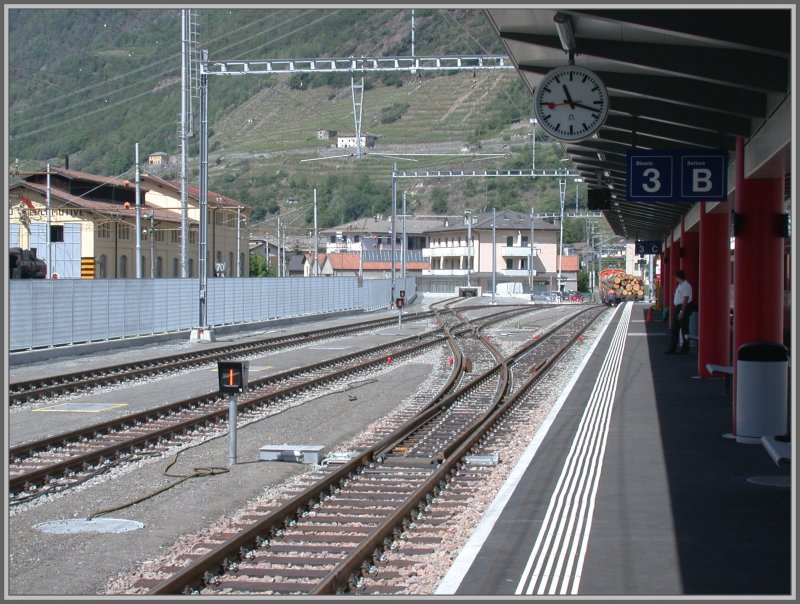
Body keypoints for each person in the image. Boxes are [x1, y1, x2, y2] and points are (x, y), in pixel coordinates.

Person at [665, 269, 693, 354]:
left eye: (676, 277)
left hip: (683, 307)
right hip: (678, 307)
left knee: (684, 329)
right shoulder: (680, 285)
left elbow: (686, 299)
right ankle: (672, 348)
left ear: (679, 277)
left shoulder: (686, 286)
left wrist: (681, 311)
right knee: (675, 329)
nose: (675, 279)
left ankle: (685, 349)